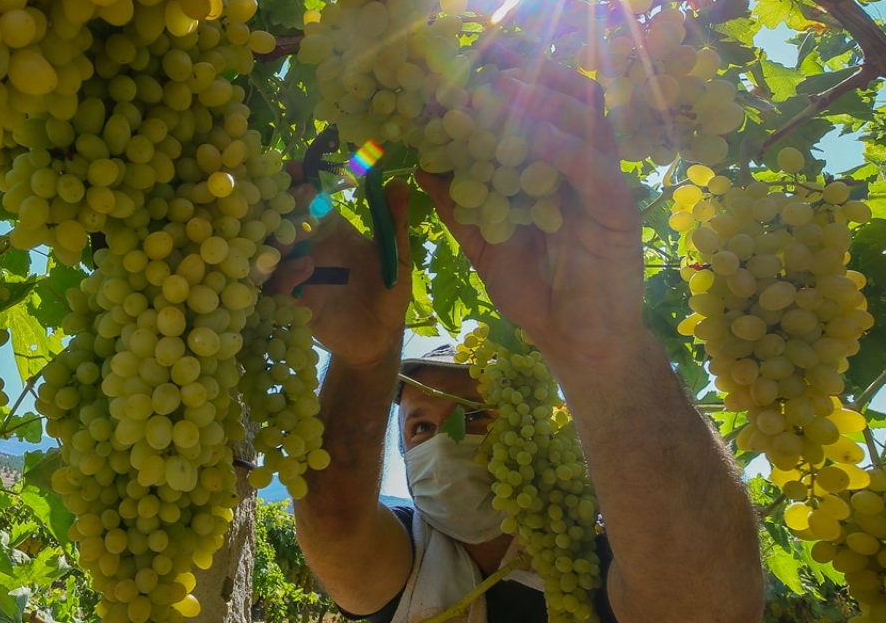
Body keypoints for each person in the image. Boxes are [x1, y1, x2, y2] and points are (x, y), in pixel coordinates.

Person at [265, 68, 765, 623]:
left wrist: (602, 350)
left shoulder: (616, 556)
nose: (445, 441)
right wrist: (363, 363)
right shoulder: (407, 558)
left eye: (475, 418)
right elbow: (334, 528)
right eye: (421, 429)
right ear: (401, 458)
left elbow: (708, 604)